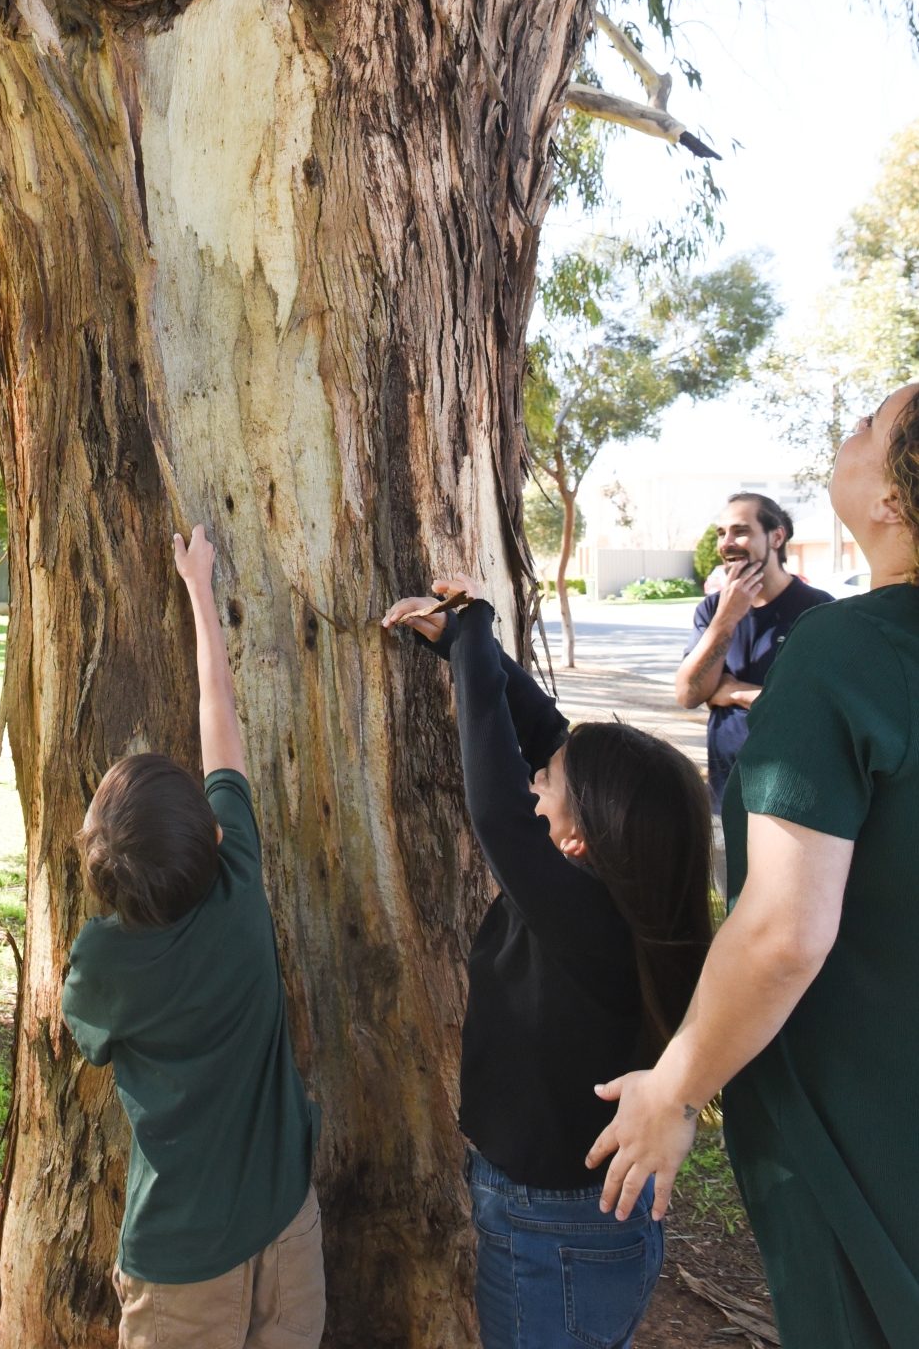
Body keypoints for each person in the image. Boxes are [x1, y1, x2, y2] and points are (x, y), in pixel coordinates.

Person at [587, 383, 919, 1349]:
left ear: (894, 501)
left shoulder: (845, 649)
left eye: (870, 426)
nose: (846, 431)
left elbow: (779, 931)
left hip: (860, 1131)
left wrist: (675, 1086)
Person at [383, 573, 712, 1349]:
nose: (536, 782)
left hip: (552, 1227)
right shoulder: (624, 886)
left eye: (549, 790)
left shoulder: (581, 913)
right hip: (570, 1216)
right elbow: (547, 739)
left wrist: (477, 624)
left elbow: (496, 804)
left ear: (574, 841)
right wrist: (472, 652)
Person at [62, 525, 324, 1349]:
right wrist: (199, 594)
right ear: (214, 839)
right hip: (287, 1229)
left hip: (177, 1258)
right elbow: (222, 722)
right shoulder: (240, 886)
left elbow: (86, 1038)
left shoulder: (100, 965)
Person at [674, 494, 832, 821]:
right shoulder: (712, 610)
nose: (727, 543)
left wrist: (734, 691)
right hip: (726, 794)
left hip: (794, 794)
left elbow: (822, 709)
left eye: (740, 531)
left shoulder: (819, 610)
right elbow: (689, 694)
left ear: (776, 537)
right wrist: (727, 617)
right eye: (721, 533)